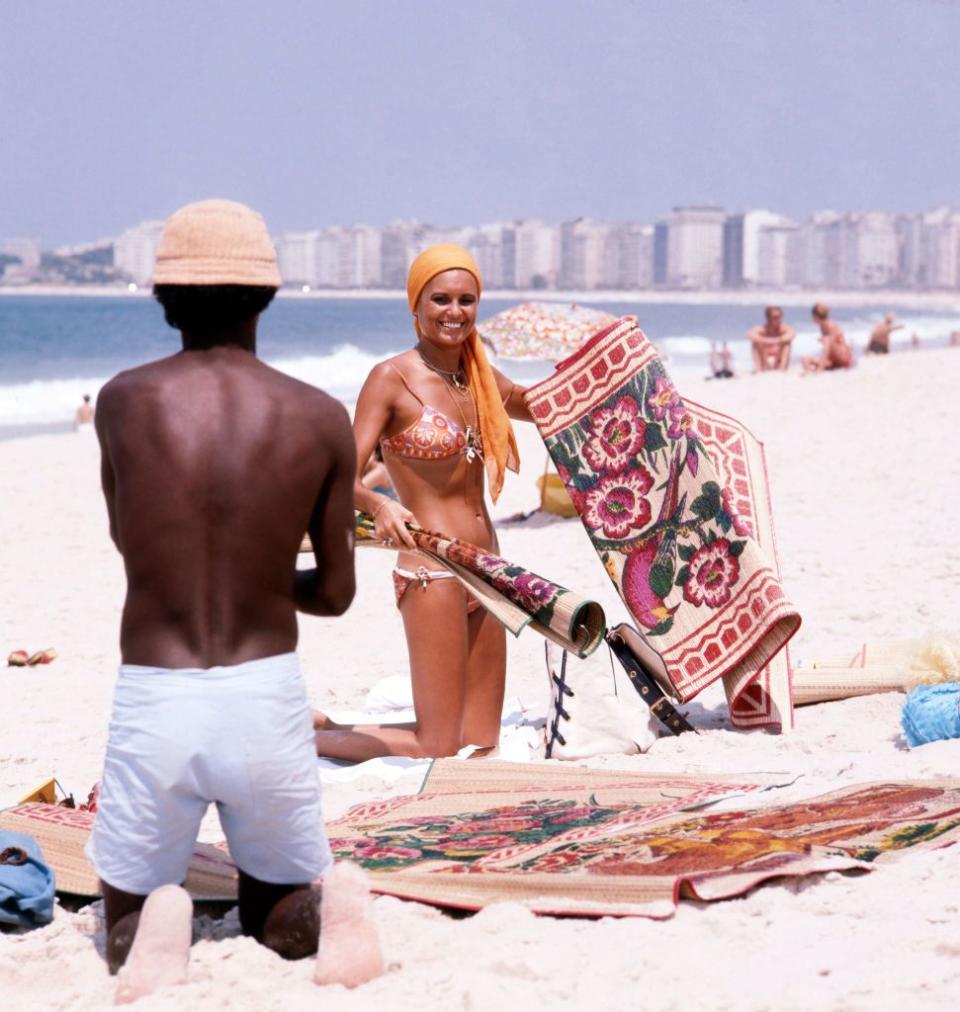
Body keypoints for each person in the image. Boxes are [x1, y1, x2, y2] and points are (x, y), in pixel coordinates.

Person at [88, 199, 382, 1002]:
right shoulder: (320, 417)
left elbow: (132, 545)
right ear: (268, 299)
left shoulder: (121, 402)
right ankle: (321, 917)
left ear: (163, 300)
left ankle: (154, 928)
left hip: (158, 690)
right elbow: (335, 591)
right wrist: (260, 580)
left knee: (121, 914)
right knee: (274, 907)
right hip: (266, 695)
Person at [313, 244, 533, 761]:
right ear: (415, 305)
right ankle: (297, 738)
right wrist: (380, 504)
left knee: (481, 738)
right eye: (440, 299)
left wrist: (616, 363)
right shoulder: (390, 378)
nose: (454, 312)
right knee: (437, 743)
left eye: (466, 299)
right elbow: (340, 473)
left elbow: (544, 405)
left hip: (489, 567)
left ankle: (331, 724)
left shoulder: (478, 375)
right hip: (432, 569)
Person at [802, 302, 853, 373]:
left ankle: (819, 370)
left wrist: (825, 340)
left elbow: (835, 344)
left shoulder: (830, 325)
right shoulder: (822, 326)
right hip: (832, 360)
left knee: (826, 340)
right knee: (805, 359)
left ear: (816, 316)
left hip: (841, 358)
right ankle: (809, 372)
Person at [746, 306, 795, 371]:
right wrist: (773, 341)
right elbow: (750, 335)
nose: (778, 320)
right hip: (764, 355)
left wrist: (770, 341)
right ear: (768, 318)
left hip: (778, 355)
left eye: (779, 317)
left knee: (787, 344)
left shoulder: (783, 328)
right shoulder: (762, 329)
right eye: (775, 318)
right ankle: (759, 368)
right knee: (755, 343)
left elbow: (791, 334)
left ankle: (782, 369)